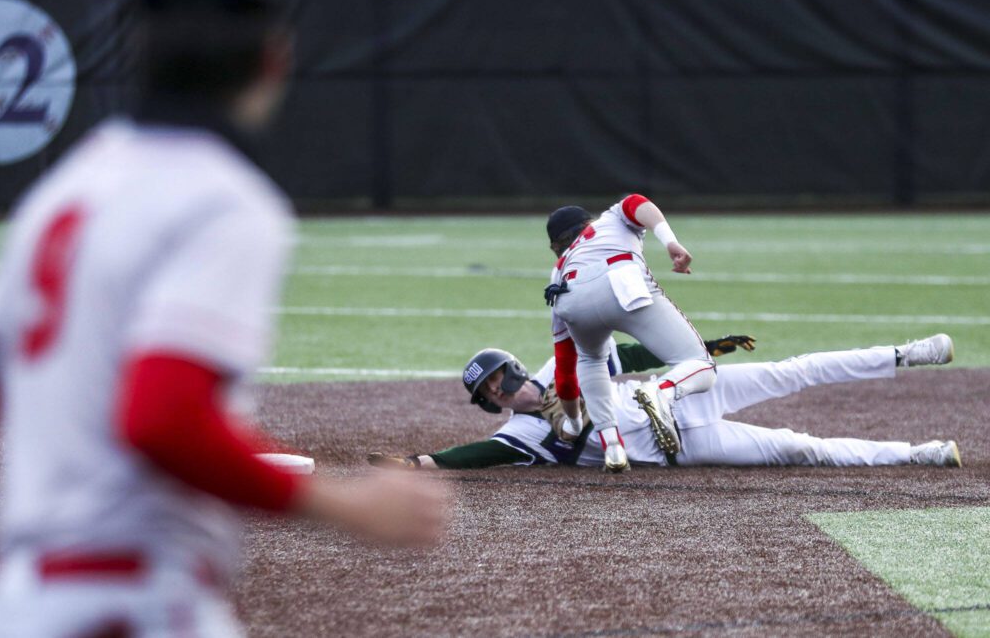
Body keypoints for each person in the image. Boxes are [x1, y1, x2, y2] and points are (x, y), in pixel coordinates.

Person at [0, 0, 446, 637]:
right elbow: (161, 413)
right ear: (274, 61)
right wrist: (346, 505)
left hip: (19, 603)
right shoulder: (223, 199)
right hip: (132, 602)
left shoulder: (62, 192)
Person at [368, 334, 960, 471]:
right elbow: (481, 455)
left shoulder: (559, 366)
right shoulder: (519, 437)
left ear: (512, 368)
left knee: (793, 370)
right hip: (682, 443)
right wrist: (428, 463)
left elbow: (630, 355)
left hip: (683, 393)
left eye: (496, 377)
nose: (497, 388)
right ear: (490, 404)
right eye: (487, 391)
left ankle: (904, 354)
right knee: (799, 448)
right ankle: (919, 454)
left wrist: (701, 345)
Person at [543, 198, 716, 472]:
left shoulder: (558, 271)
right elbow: (637, 202)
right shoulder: (609, 220)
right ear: (587, 223)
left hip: (573, 296)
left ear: (557, 244)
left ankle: (613, 448)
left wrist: (573, 423)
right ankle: (660, 392)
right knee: (702, 366)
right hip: (621, 280)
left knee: (590, 360)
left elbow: (565, 369)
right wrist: (670, 242)